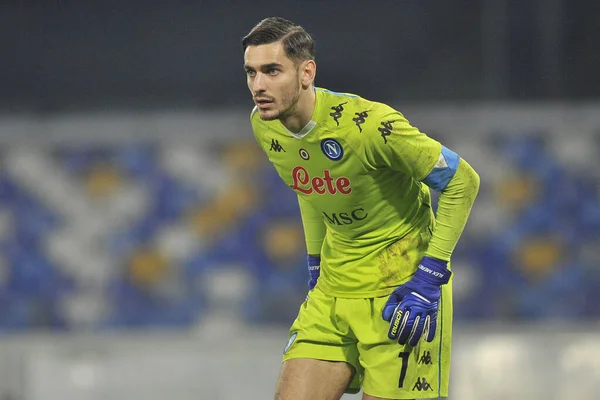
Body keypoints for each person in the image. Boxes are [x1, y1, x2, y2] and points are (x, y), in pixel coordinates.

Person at [242, 16, 480, 400]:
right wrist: (315, 263)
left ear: (307, 73)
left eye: (272, 71)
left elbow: (463, 180)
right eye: (251, 73)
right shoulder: (265, 125)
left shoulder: (369, 126)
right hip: (334, 291)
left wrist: (431, 275)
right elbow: (308, 186)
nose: (258, 86)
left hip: (402, 293)